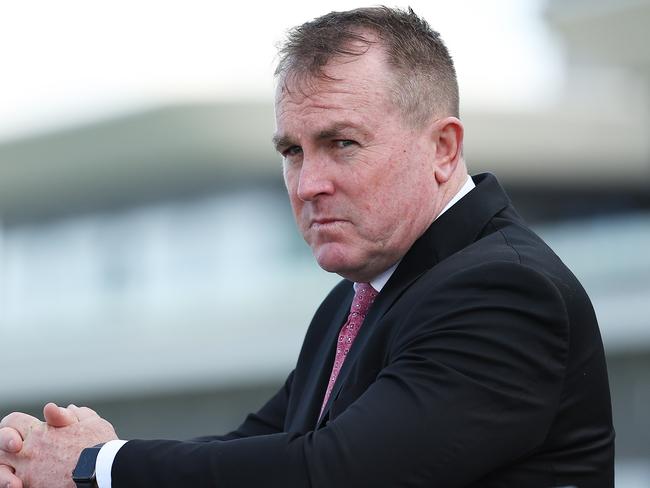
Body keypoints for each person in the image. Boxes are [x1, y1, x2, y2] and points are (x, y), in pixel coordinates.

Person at [0, 6, 614, 488]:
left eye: (342, 143)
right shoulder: (361, 295)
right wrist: (66, 460)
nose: (309, 184)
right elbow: (253, 450)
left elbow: (332, 474)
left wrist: (99, 466)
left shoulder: (504, 290)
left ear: (444, 149)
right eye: (291, 151)